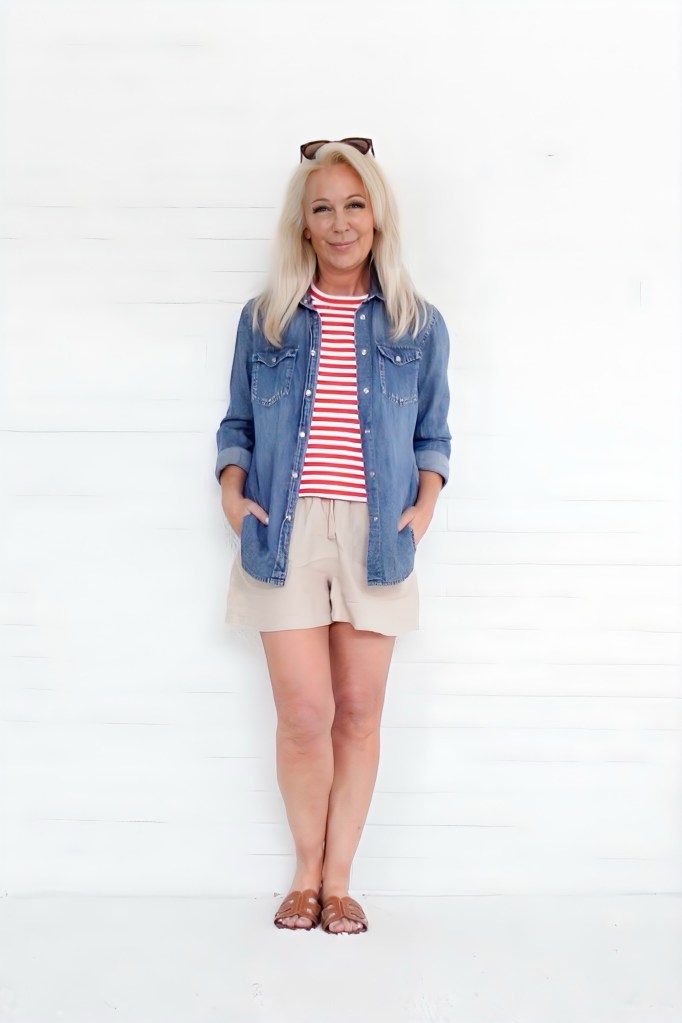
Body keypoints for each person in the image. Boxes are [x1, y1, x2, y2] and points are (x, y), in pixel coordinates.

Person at [215, 138, 451, 934]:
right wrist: (230, 491)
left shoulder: (420, 323)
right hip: (283, 526)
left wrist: (422, 510)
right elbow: (237, 423)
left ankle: (341, 877)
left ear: (378, 217)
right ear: (304, 226)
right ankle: (304, 873)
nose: (341, 221)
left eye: (355, 204)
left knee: (358, 710)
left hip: (377, 532)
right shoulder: (268, 318)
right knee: (304, 713)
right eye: (323, 208)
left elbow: (433, 434)